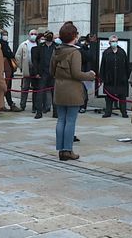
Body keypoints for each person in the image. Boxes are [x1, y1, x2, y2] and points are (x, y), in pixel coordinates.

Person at [51, 21, 96, 161]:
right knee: (70, 121)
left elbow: (51, 71)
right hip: (72, 90)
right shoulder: (75, 52)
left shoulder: (57, 50)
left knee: (61, 120)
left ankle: (60, 150)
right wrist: (90, 75)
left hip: (59, 88)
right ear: (73, 36)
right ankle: (68, 150)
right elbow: (76, 74)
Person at [99, 35, 131, 118]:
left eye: (116, 41)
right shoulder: (106, 52)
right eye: (113, 41)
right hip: (110, 78)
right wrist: (102, 78)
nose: (114, 43)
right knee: (109, 96)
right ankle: (108, 112)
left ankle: (124, 112)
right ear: (109, 42)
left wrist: (127, 76)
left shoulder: (122, 52)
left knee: (122, 96)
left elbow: (127, 65)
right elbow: (103, 66)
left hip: (121, 78)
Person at [31, 30, 56, 119]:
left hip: (54, 73)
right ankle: (39, 112)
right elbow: (35, 61)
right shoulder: (39, 47)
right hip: (43, 73)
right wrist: (36, 72)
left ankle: (56, 112)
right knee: (40, 92)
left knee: (55, 93)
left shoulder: (56, 47)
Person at [15, 29, 38, 111]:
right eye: (32, 34)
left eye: (35, 34)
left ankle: (35, 106)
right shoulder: (24, 44)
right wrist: (21, 67)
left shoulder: (38, 44)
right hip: (27, 68)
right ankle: (22, 105)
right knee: (25, 87)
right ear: (29, 34)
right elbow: (18, 56)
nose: (33, 35)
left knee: (36, 87)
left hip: (35, 69)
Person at [0, 30, 21, 112]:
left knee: (7, 87)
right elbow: (9, 54)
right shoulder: (1, 44)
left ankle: (8, 104)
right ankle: (7, 104)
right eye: (4, 34)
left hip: (8, 69)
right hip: (5, 69)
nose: (5, 36)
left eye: (6, 34)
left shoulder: (5, 43)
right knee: (6, 87)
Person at [78, 34, 95, 113]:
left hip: (89, 70)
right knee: (81, 90)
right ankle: (81, 105)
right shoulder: (82, 47)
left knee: (85, 90)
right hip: (82, 70)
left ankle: (83, 106)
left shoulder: (94, 47)